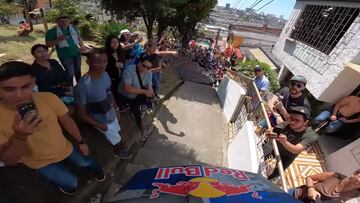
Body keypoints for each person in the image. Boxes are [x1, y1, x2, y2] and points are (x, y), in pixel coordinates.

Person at [0, 61, 104, 195]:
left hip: (64, 148)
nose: (19, 95)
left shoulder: (48, 98)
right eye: (9, 89)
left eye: (25, 86)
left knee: (87, 163)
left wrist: (80, 141)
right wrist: (20, 136)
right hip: (39, 163)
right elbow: (10, 160)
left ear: (33, 83)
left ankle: (99, 173)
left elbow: (67, 120)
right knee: (71, 183)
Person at [74, 48, 130, 159]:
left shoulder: (105, 75)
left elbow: (109, 93)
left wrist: (116, 108)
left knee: (118, 133)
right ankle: (117, 151)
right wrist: (100, 125)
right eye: (98, 61)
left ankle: (119, 147)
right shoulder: (83, 86)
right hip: (101, 121)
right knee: (115, 140)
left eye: (105, 61)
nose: (102, 65)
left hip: (111, 114)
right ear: (88, 62)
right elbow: (81, 114)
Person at [263, 106, 318, 179]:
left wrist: (285, 142)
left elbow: (296, 150)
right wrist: (269, 132)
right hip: (273, 147)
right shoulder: (287, 123)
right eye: (291, 119)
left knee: (272, 176)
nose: (292, 122)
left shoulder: (311, 136)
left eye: (297, 120)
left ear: (306, 122)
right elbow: (275, 129)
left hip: (286, 157)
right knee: (257, 159)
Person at [118, 56, 154, 136]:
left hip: (137, 94)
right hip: (125, 94)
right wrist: (145, 91)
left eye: (148, 67)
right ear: (139, 63)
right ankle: (138, 124)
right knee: (132, 109)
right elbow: (127, 88)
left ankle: (140, 122)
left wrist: (150, 92)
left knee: (138, 109)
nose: (145, 69)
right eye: (144, 66)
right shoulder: (129, 70)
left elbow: (149, 86)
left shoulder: (149, 73)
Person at [45, 16, 85, 83]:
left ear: (69, 21)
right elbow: (47, 45)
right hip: (65, 55)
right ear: (57, 22)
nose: (64, 23)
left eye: (66, 21)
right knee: (70, 73)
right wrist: (58, 40)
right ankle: (69, 88)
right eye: (62, 21)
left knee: (78, 71)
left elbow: (79, 37)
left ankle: (79, 86)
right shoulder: (51, 32)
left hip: (76, 53)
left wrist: (82, 46)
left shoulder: (73, 28)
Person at [289, 169, 360, 202]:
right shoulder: (333, 176)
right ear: (354, 174)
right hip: (296, 195)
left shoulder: (356, 193)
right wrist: (311, 189)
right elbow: (310, 178)